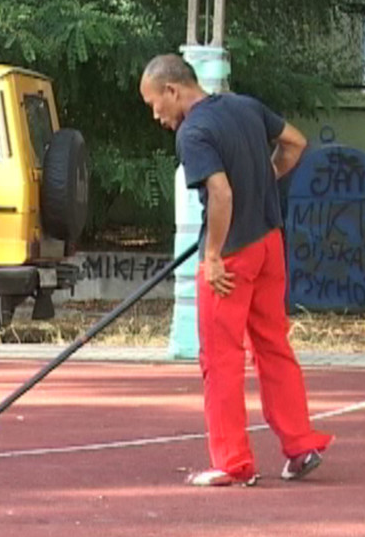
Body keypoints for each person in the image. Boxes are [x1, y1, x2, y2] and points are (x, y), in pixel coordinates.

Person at [139, 54, 333, 487]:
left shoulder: (193, 133)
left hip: (232, 254)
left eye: (154, 104)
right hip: (269, 244)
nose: (156, 115)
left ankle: (232, 461)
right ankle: (301, 445)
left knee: (221, 357)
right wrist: (264, 179)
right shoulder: (245, 106)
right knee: (273, 346)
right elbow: (295, 143)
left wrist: (212, 255)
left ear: (172, 90)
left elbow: (221, 193)